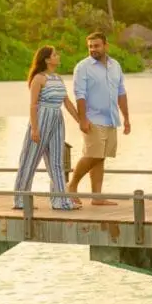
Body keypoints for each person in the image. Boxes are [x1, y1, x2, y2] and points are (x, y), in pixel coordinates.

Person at [13, 45, 81, 211]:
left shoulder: (58, 78)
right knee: (30, 160)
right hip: (41, 119)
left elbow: (67, 102)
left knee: (57, 162)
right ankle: (21, 199)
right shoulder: (39, 78)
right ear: (47, 59)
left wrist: (80, 120)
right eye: (55, 55)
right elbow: (33, 106)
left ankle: (61, 201)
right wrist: (35, 129)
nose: (58, 56)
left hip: (57, 119)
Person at [67, 31, 131, 206]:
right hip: (92, 118)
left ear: (105, 46)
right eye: (90, 46)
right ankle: (71, 186)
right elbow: (79, 94)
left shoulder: (115, 65)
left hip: (111, 118)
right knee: (93, 154)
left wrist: (126, 118)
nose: (93, 49)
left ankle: (97, 197)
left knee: (101, 157)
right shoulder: (82, 67)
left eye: (96, 46)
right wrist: (83, 119)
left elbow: (121, 92)